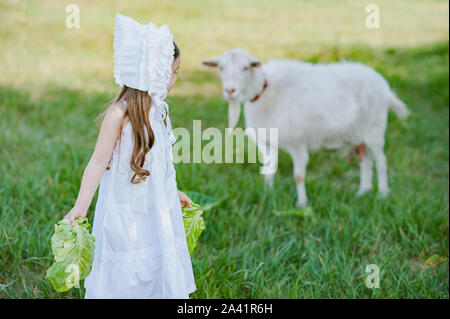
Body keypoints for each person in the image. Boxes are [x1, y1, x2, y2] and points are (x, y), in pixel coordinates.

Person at [64, 14, 196, 298]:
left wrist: (172, 192)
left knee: (154, 257)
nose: (175, 77)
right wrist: (81, 206)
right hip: (124, 210)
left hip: (155, 208)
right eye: (173, 71)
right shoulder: (118, 115)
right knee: (128, 260)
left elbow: (160, 165)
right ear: (154, 72)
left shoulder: (159, 110)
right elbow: (98, 162)